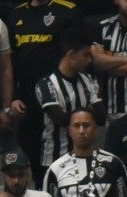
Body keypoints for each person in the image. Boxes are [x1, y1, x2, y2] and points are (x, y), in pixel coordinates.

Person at [33, 29, 103, 177]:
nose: (90, 60)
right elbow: (60, 119)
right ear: (71, 54)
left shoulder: (88, 80)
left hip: (86, 157)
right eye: (85, 55)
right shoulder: (46, 84)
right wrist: (88, 113)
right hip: (54, 159)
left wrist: (74, 114)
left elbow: (101, 116)